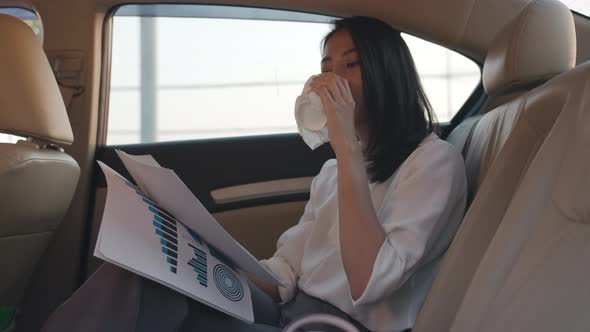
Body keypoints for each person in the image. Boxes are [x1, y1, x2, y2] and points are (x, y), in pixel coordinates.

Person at [42, 16, 466, 332]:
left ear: (387, 75)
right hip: (292, 307)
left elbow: (370, 283)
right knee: (142, 277)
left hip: (335, 326)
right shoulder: (333, 171)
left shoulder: (432, 163)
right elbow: (286, 271)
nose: (329, 79)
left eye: (350, 65)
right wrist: (195, 266)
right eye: (325, 66)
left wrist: (347, 148)